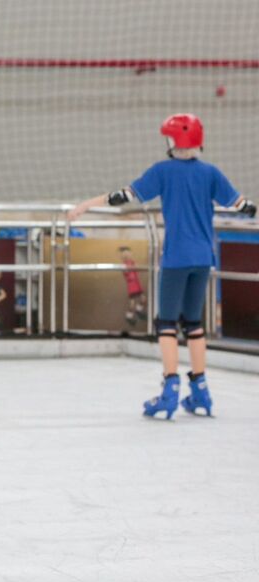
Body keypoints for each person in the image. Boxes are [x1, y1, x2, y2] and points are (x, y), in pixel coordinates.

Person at [68, 113, 256, 419]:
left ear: (173, 141)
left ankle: (170, 388)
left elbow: (122, 197)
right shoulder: (211, 173)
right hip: (204, 258)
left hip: (177, 257)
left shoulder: (163, 171)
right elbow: (243, 206)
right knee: (194, 323)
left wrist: (86, 205)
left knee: (166, 322)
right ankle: (201, 390)